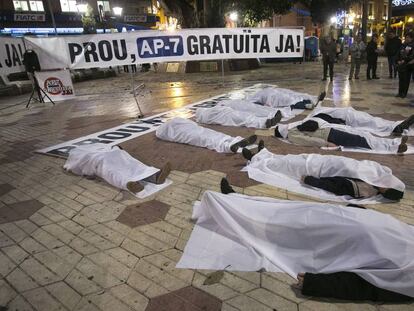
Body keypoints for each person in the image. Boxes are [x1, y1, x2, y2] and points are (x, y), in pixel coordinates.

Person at [189, 190, 414, 302]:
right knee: (292, 212)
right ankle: (232, 201)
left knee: (286, 226)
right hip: (348, 221)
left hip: (338, 240)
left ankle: (228, 205)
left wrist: (317, 284)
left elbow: (373, 289)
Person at [240, 146, 405, 202]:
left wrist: (312, 181)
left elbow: (337, 188)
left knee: (287, 165)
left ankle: (255, 158)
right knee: (290, 159)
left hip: (318, 171)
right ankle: (265, 154)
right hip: (324, 160)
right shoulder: (378, 173)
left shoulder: (365, 190)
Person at [64, 144, 171, 195]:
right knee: (111, 170)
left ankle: (155, 177)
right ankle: (131, 184)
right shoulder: (77, 153)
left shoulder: (95, 145)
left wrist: (116, 149)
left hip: (112, 154)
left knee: (130, 162)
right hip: (100, 160)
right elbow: (76, 165)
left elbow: (112, 147)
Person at [271, 120, 408, 154]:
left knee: (361, 137)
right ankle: (393, 148)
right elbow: (308, 140)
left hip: (331, 132)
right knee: (361, 141)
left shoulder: (292, 129)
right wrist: (325, 143)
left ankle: (391, 144)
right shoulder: (291, 134)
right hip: (330, 135)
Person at [155, 117, 257, 153]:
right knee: (208, 136)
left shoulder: (163, 129)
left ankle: (232, 143)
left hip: (189, 132)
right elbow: (191, 123)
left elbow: (189, 124)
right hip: (190, 131)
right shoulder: (163, 129)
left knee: (207, 138)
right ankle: (230, 144)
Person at [308, 106, 414, 136]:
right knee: (373, 122)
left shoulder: (321, 114)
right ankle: (397, 127)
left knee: (373, 121)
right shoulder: (322, 116)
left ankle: (397, 126)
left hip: (350, 115)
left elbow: (335, 116)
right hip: (351, 118)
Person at [195, 105, 282, 129]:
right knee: (244, 119)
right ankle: (264, 123)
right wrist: (223, 108)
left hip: (228, 115)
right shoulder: (206, 115)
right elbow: (217, 112)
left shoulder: (206, 115)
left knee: (245, 117)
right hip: (227, 116)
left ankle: (266, 121)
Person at [248, 88, 326, 110]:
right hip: (277, 95)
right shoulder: (261, 93)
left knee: (291, 101)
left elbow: (266, 103)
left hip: (276, 96)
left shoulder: (258, 97)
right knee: (293, 99)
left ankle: (308, 104)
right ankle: (309, 102)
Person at [396, 32, 414, 98]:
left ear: (411, 38)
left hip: (408, 65)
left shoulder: (412, 46)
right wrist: (398, 60)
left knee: (406, 80)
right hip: (401, 65)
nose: (407, 39)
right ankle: (400, 92)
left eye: (408, 37)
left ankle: (404, 93)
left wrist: (405, 60)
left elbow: (412, 56)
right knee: (401, 79)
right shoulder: (403, 45)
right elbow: (398, 53)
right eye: (406, 37)